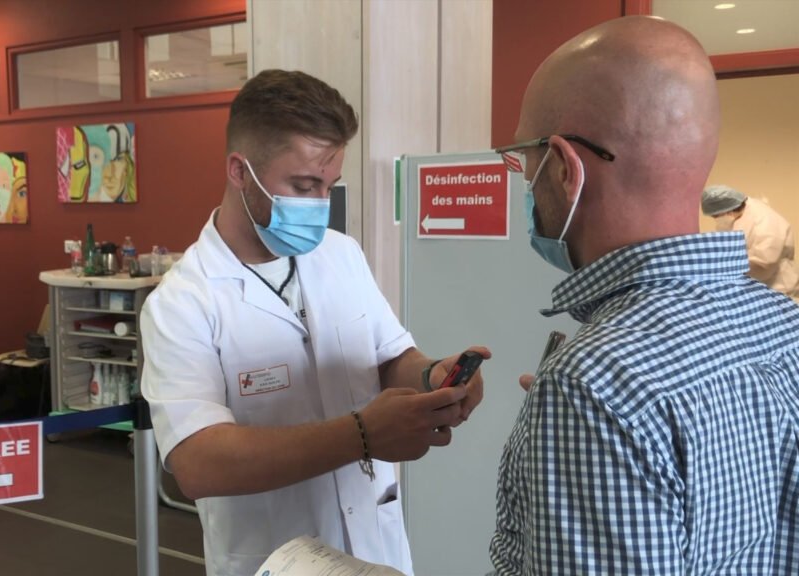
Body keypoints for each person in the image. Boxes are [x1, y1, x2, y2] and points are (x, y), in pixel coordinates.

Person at [140, 69, 488, 576]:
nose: (320, 206)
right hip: (274, 557)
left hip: (375, 545)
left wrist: (434, 377)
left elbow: (390, 357)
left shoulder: (340, 255)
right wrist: (363, 436)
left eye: (329, 186)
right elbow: (198, 462)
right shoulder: (182, 303)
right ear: (240, 171)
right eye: (303, 185)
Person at [491, 16, 799, 574]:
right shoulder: (783, 322)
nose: (525, 179)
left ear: (563, 167)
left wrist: (588, 412)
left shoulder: (594, 384)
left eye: (525, 159)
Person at [702, 185, 799, 302]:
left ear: (727, 211)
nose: (716, 219)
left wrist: (724, 264)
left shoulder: (764, 223)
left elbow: (766, 260)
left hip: (778, 287)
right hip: (758, 287)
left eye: (716, 215)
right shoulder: (741, 212)